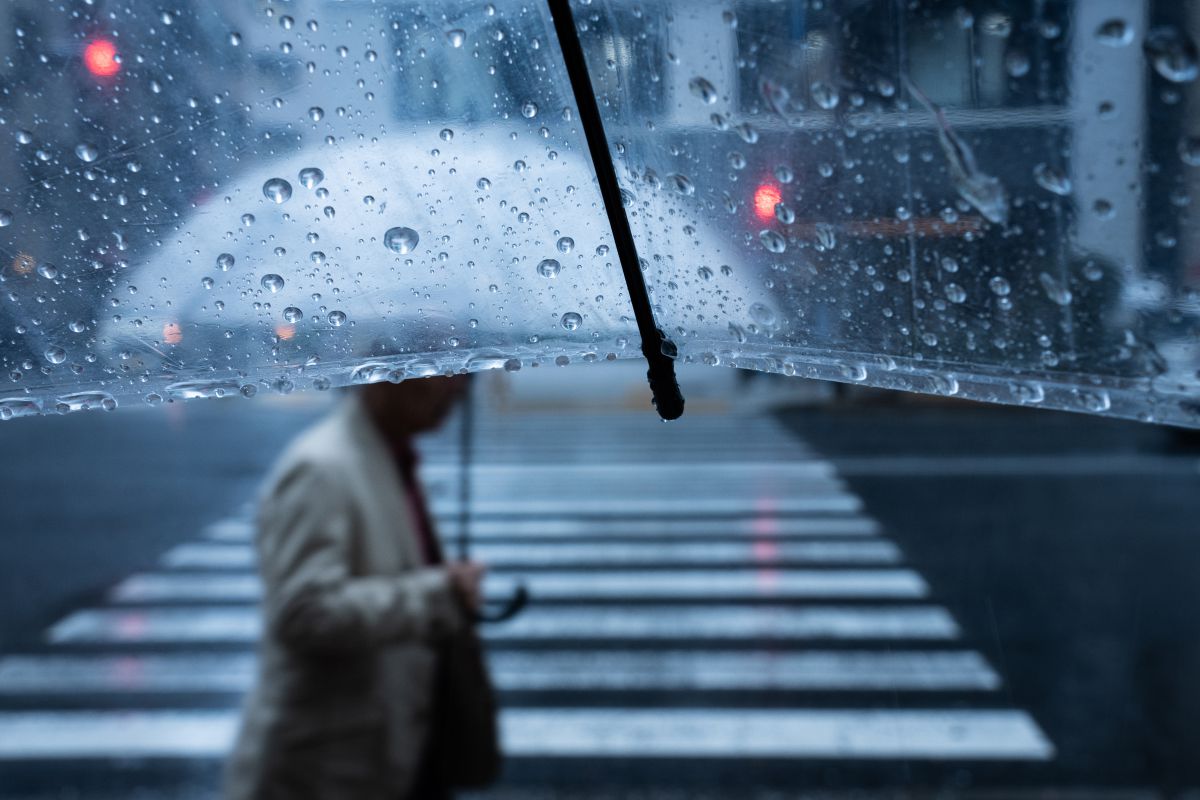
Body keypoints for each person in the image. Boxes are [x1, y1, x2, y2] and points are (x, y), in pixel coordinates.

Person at [225, 375, 487, 800]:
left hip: (392, 750)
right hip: (327, 771)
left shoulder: (391, 455)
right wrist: (438, 595)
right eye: (442, 375)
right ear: (384, 379)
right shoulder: (321, 468)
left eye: (464, 378)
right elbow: (305, 614)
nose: (458, 389)